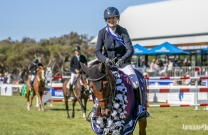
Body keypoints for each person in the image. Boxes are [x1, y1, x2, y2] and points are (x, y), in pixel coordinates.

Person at [95, 7, 142, 104]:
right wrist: (105, 60)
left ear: (117, 18)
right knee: (97, 82)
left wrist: (123, 60)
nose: (111, 20)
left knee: (135, 82)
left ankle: (139, 108)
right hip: (108, 64)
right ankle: (97, 108)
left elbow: (130, 50)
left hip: (123, 63)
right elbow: (98, 51)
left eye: (113, 18)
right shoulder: (102, 33)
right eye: (109, 18)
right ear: (106, 20)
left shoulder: (123, 31)